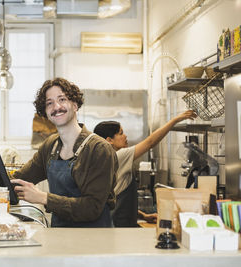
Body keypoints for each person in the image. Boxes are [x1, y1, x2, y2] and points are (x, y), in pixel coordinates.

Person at [11, 78, 118, 227]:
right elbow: (20, 178)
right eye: (49, 103)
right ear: (46, 112)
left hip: (94, 240)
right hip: (60, 235)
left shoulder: (99, 149)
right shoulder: (50, 146)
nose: (56, 107)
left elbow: (92, 207)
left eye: (62, 99)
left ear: (75, 105)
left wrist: (44, 198)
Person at [93, 110, 197, 227]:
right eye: (121, 133)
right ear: (109, 140)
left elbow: (115, 201)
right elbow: (150, 142)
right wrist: (175, 120)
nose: (125, 136)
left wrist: (143, 216)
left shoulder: (103, 158)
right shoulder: (118, 155)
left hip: (115, 221)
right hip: (119, 225)